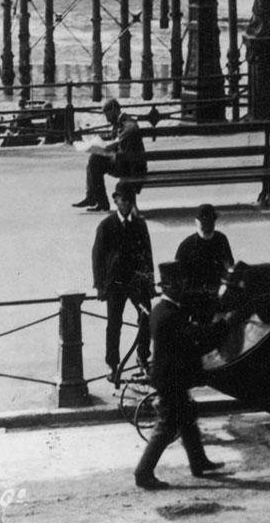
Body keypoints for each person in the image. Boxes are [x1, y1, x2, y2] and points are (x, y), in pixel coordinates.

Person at [133, 263, 224, 489]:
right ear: (169, 287)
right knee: (166, 426)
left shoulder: (161, 309)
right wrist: (225, 325)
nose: (183, 287)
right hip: (170, 379)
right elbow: (195, 337)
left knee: (186, 420)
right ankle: (143, 473)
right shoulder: (170, 316)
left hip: (170, 377)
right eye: (179, 284)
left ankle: (199, 462)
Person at [91, 184, 154, 381]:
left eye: (129, 200)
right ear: (116, 200)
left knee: (146, 318)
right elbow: (97, 257)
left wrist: (150, 282)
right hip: (116, 282)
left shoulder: (140, 225)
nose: (126, 204)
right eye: (122, 200)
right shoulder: (106, 225)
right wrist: (100, 285)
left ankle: (143, 358)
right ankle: (112, 364)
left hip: (136, 281)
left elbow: (147, 254)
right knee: (113, 324)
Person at [73, 96, 144, 209]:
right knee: (94, 160)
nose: (107, 119)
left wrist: (117, 141)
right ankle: (93, 197)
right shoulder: (119, 123)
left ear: (114, 110)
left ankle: (98, 200)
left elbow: (131, 128)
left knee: (94, 161)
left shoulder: (127, 121)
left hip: (131, 166)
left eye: (107, 114)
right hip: (127, 162)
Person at [173, 203, 234, 306]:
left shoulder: (221, 239)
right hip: (195, 296)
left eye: (209, 222)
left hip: (218, 291)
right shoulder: (186, 246)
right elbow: (178, 276)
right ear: (196, 222)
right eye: (203, 222)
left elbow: (229, 266)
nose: (206, 225)